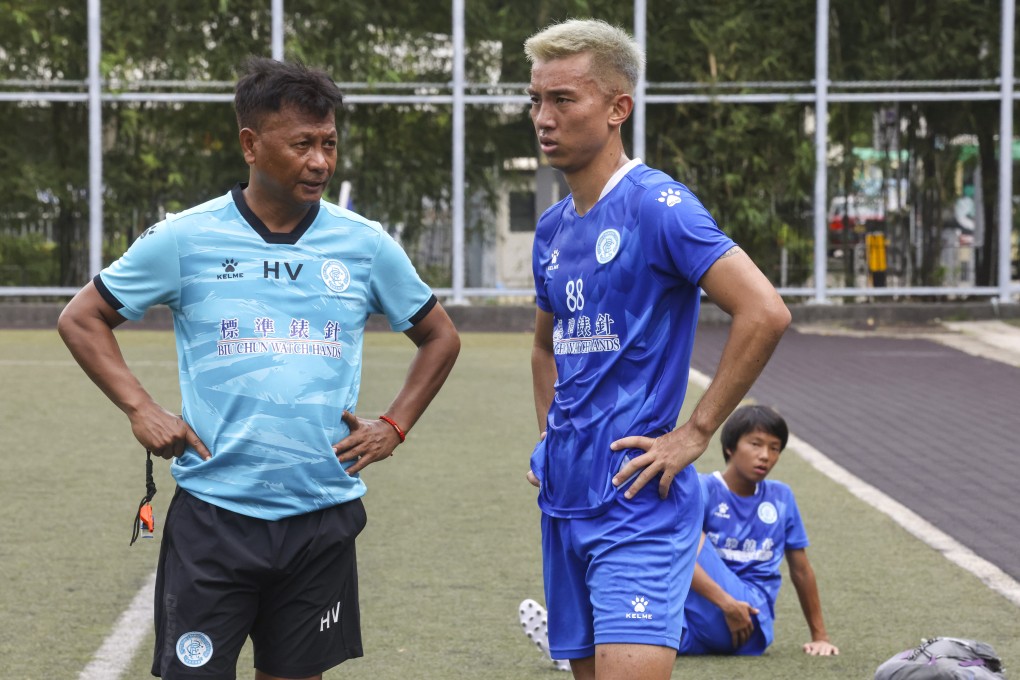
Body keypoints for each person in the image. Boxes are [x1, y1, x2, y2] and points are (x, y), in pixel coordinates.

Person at [57, 56, 460, 680]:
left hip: (320, 516)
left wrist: (394, 424)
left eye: (329, 143)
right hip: (215, 517)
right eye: (302, 144)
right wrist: (141, 407)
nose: (320, 161)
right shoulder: (185, 238)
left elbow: (439, 336)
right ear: (251, 144)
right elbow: (82, 318)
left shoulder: (364, 243)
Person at [524, 18, 791, 680]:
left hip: (637, 505)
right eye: (535, 100)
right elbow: (544, 347)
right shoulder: (553, 228)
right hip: (563, 503)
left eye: (563, 100)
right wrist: (553, 438)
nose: (542, 117)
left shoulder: (659, 206)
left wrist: (696, 432)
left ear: (618, 108)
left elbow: (764, 311)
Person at [678, 404, 839, 657]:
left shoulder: (781, 497)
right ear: (730, 447)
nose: (765, 455)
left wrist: (820, 637)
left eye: (774, 448)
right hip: (709, 613)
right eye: (756, 444)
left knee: (680, 537)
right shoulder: (706, 487)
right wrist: (725, 603)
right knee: (633, 640)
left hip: (751, 614)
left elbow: (801, 569)